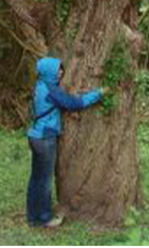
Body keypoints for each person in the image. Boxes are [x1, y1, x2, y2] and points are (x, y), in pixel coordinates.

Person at [26, 57, 105, 228]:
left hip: (35, 136)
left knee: (36, 179)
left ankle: (33, 217)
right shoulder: (52, 91)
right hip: (45, 138)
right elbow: (75, 103)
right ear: (49, 72)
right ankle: (44, 219)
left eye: (61, 68)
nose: (61, 72)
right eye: (57, 70)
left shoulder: (40, 86)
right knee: (44, 181)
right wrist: (98, 94)